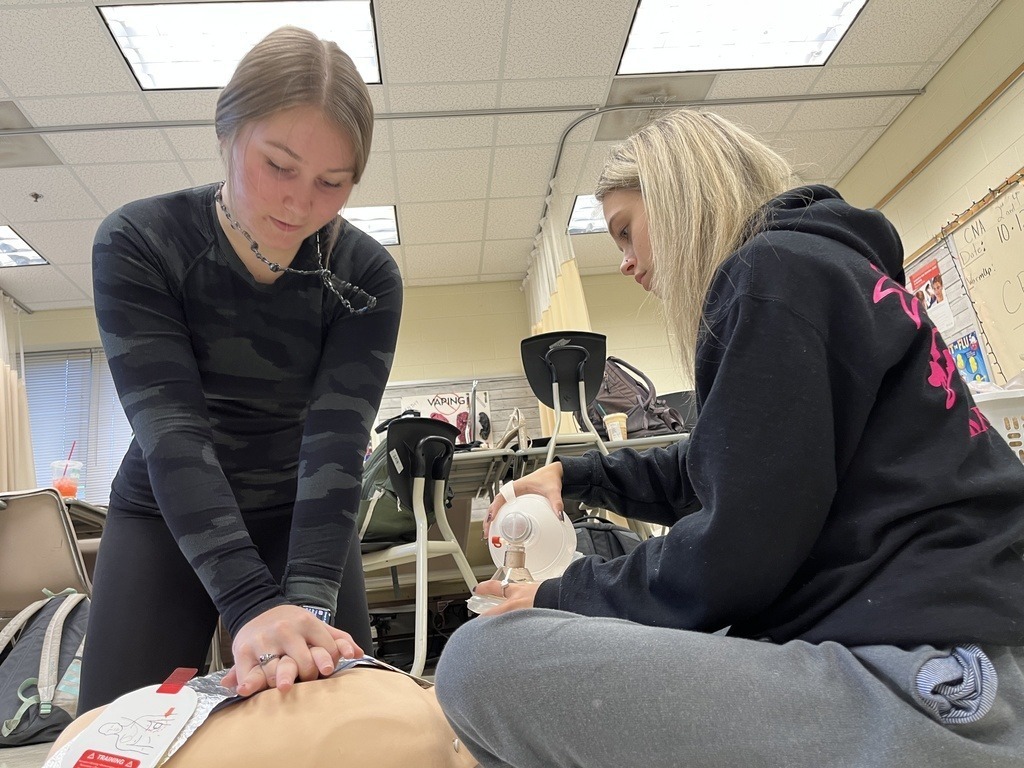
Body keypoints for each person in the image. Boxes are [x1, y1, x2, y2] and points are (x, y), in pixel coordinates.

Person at [434, 109, 1024, 767]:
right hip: (956, 656)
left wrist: (557, 593)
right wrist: (579, 478)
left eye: (627, 233)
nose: (626, 264)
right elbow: (726, 467)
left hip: (938, 683)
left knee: (480, 658)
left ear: (682, 194)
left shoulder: (771, 274)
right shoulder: (823, 269)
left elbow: (732, 555)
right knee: (620, 582)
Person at [82, 26, 403, 709]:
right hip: (166, 512)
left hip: (303, 511)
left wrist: (305, 609)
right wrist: (251, 602)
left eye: (331, 182)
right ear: (228, 132)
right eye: (278, 166)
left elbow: (336, 441)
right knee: (118, 727)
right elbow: (173, 431)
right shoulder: (141, 242)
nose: (298, 203)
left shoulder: (367, 275)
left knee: (332, 716)